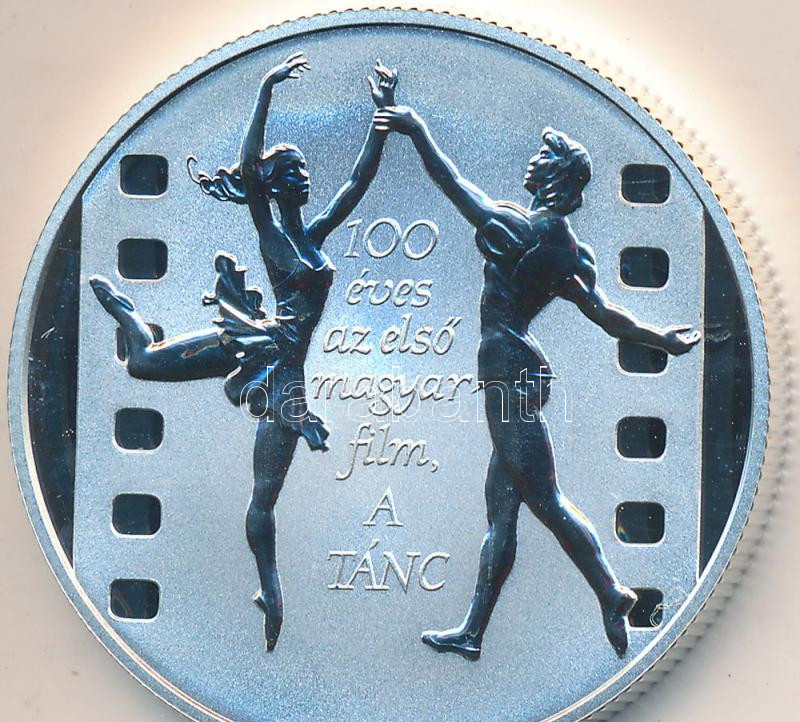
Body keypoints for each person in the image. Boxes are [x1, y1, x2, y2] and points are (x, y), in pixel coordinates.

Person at [90, 53, 398, 650]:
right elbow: (251, 170)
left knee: (265, 494)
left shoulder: (312, 235)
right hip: (254, 346)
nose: (305, 179)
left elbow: (357, 183)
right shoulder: (271, 232)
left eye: (305, 171)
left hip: (287, 371)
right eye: (295, 172)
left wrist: (381, 117)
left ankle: (269, 591)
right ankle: (127, 314)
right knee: (143, 363)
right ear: (276, 186)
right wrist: (264, 89)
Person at [373, 106, 701, 660]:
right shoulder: (567, 249)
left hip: (506, 371)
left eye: (543, 156)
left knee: (544, 500)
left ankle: (611, 591)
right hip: (516, 369)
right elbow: (607, 315)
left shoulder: (519, 230)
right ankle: (474, 634)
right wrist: (660, 340)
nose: (532, 160)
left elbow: (454, 186)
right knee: (502, 514)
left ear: (556, 176)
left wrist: (417, 130)